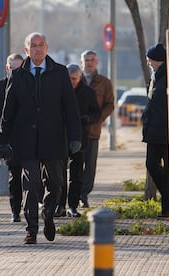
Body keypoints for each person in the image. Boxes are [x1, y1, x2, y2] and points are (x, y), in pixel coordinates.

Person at [0, 32, 82, 244]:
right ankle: (31, 229)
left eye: (40, 45)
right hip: (26, 140)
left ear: (47, 47)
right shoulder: (17, 75)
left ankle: (49, 215)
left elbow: (70, 108)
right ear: (26, 50)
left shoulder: (60, 73)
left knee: (56, 184)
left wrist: (75, 137)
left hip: (53, 139)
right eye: (33, 45)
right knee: (31, 184)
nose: (37, 49)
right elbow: (8, 112)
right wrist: (3, 141)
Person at [55, 64, 101, 218]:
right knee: (58, 174)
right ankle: (59, 206)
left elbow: (96, 113)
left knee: (77, 175)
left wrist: (87, 119)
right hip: (60, 137)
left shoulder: (88, 93)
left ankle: (73, 205)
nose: (72, 82)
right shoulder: (59, 91)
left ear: (80, 78)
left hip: (80, 137)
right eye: (69, 79)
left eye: (74, 79)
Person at [0, 53, 24, 222]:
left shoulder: (29, 83)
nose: (16, 71)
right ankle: (15, 210)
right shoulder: (1, 86)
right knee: (15, 176)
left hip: (28, 137)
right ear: (7, 68)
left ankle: (33, 205)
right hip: (10, 140)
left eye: (19, 67)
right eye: (13, 68)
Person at [79, 50, 114, 208]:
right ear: (82, 62)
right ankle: (71, 193)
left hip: (93, 131)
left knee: (90, 165)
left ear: (97, 62)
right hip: (74, 131)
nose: (89, 63)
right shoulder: (74, 79)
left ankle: (84, 194)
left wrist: (98, 118)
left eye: (92, 60)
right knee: (74, 164)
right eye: (86, 60)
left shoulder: (104, 82)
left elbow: (110, 104)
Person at [141, 43, 169, 219]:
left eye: (149, 59)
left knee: (165, 169)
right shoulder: (156, 76)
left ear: (157, 60)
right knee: (152, 165)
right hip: (154, 131)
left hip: (165, 131)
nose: (147, 62)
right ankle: (168, 201)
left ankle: (168, 205)